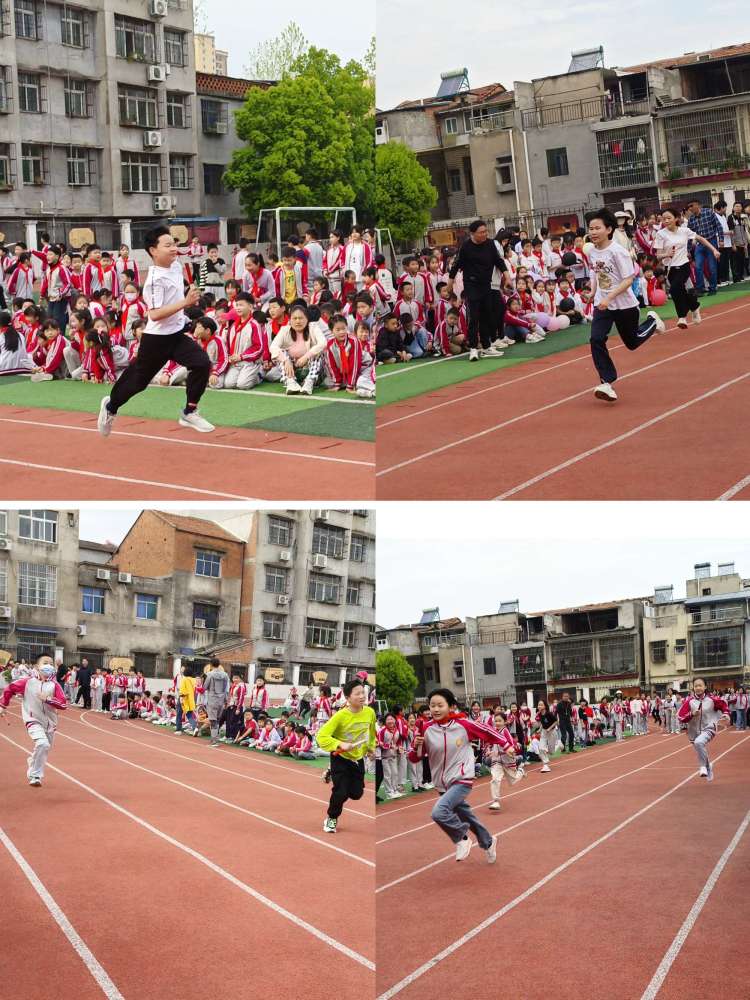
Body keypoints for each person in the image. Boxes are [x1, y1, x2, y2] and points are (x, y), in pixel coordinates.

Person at [97, 226, 214, 437]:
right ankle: (110, 406)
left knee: (202, 363)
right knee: (138, 382)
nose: (173, 248)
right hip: (156, 339)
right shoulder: (153, 281)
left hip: (176, 335)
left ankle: (190, 411)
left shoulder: (176, 266)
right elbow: (155, 314)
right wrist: (185, 302)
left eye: (174, 244)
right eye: (167, 245)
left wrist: (187, 303)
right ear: (153, 250)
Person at [409, 688, 505, 863]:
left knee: (438, 812)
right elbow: (414, 758)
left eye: (440, 705)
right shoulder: (426, 729)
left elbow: (487, 731)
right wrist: (416, 746)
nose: (435, 709)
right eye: (432, 706)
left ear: (451, 706)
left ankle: (462, 838)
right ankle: (489, 842)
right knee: (466, 816)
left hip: (462, 778)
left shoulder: (463, 724)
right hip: (442, 783)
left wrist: (507, 744)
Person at [586, 207, 665, 402]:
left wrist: (609, 297)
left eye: (597, 228)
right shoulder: (592, 251)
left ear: (609, 229)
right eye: (591, 228)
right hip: (602, 304)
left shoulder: (618, 252)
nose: (593, 232)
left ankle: (652, 322)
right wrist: (594, 292)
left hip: (624, 304)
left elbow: (628, 280)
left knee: (632, 342)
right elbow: (596, 272)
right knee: (596, 339)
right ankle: (606, 381)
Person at [316, 678, 376, 834]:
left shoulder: (370, 712)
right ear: (348, 698)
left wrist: (371, 748)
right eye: (357, 694)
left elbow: (371, 733)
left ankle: (331, 772)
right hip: (340, 758)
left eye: (363, 693)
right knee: (340, 792)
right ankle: (332, 818)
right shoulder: (340, 716)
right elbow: (321, 736)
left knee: (356, 794)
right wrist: (340, 744)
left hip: (357, 759)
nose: (362, 696)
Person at [0, 656, 67, 787]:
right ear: (37, 666)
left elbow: (63, 704)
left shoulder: (55, 685)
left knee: (45, 747)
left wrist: (48, 699)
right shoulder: (27, 682)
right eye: (45, 663)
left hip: (50, 723)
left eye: (51, 663)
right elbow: (10, 689)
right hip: (32, 719)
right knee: (43, 744)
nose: (49, 666)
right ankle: (35, 775)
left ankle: (32, 761)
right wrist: (3, 705)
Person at [446, 220, 506, 361]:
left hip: (486, 284)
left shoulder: (490, 244)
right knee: (474, 317)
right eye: (481, 232)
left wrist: (507, 275)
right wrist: (450, 283)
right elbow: (456, 265)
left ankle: (486, 346)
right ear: (472, 233)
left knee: (486, 315)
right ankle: (473, 348)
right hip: (471, 285)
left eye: (486, 231)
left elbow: (498, 260)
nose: (484, 234)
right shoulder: (466, 247)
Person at [652, 207, 720, 328]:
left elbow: (701, 239)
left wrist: (714, 250)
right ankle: (694, 306)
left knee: (674, 289)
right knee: (679, 291)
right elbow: (657, 256)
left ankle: (682, 317)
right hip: (670, 268)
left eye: (669, 218)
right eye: (663, 219)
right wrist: (666, 254)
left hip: (683, 265)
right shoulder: (660, 234)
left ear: (676, 218)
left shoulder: (684, 231)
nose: (666, 221)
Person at [677, 677, 729, 782]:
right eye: (696, 686)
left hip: (709, 727)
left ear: (705, 687)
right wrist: (691, 714)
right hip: (693, 731)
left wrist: (726, 714)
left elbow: (723, 705)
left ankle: (703, 767)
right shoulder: (689, 702)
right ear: (693, 688)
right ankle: (708, 767)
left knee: (699, 742)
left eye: (700, 685)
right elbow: (680, 717)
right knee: (699, 747)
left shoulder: (712, 699)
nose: (698, 688)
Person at [486, 708, 526, 810]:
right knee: (495, 778)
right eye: (496, 721)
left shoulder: (505, 731)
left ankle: (521, 771)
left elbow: (511, 744)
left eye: (500, 721)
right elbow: (489, 743)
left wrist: (511, 752)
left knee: (512, 781)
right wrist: (489, 750)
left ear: (505, 722)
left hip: (507, 759)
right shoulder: (493, 731)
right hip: (497, 760)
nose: (497, 723)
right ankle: (495, 801)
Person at [685, 198, 722, 295]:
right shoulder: (691, 219)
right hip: (699, 244)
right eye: (689, 207)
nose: (690, 208)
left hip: (711, 241)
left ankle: (713, 288)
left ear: (698, 205)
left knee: (712, 267)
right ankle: (700, 289)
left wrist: (721, 240)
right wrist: (688, 250)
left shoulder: (709, 212)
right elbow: (689, 236)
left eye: (692, 205)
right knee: (698, 266)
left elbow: (718, 226)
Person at [203, 658, 229, 747]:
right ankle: (215, 737)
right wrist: (226, 700)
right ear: (219, 664)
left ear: (211, 665)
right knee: (217, 720)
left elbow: (205, 687)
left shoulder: (209, 674)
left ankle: (214, 740)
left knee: (213, 720)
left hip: (212, 699)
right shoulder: (225, 675)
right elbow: (226, 688)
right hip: (221, 699)